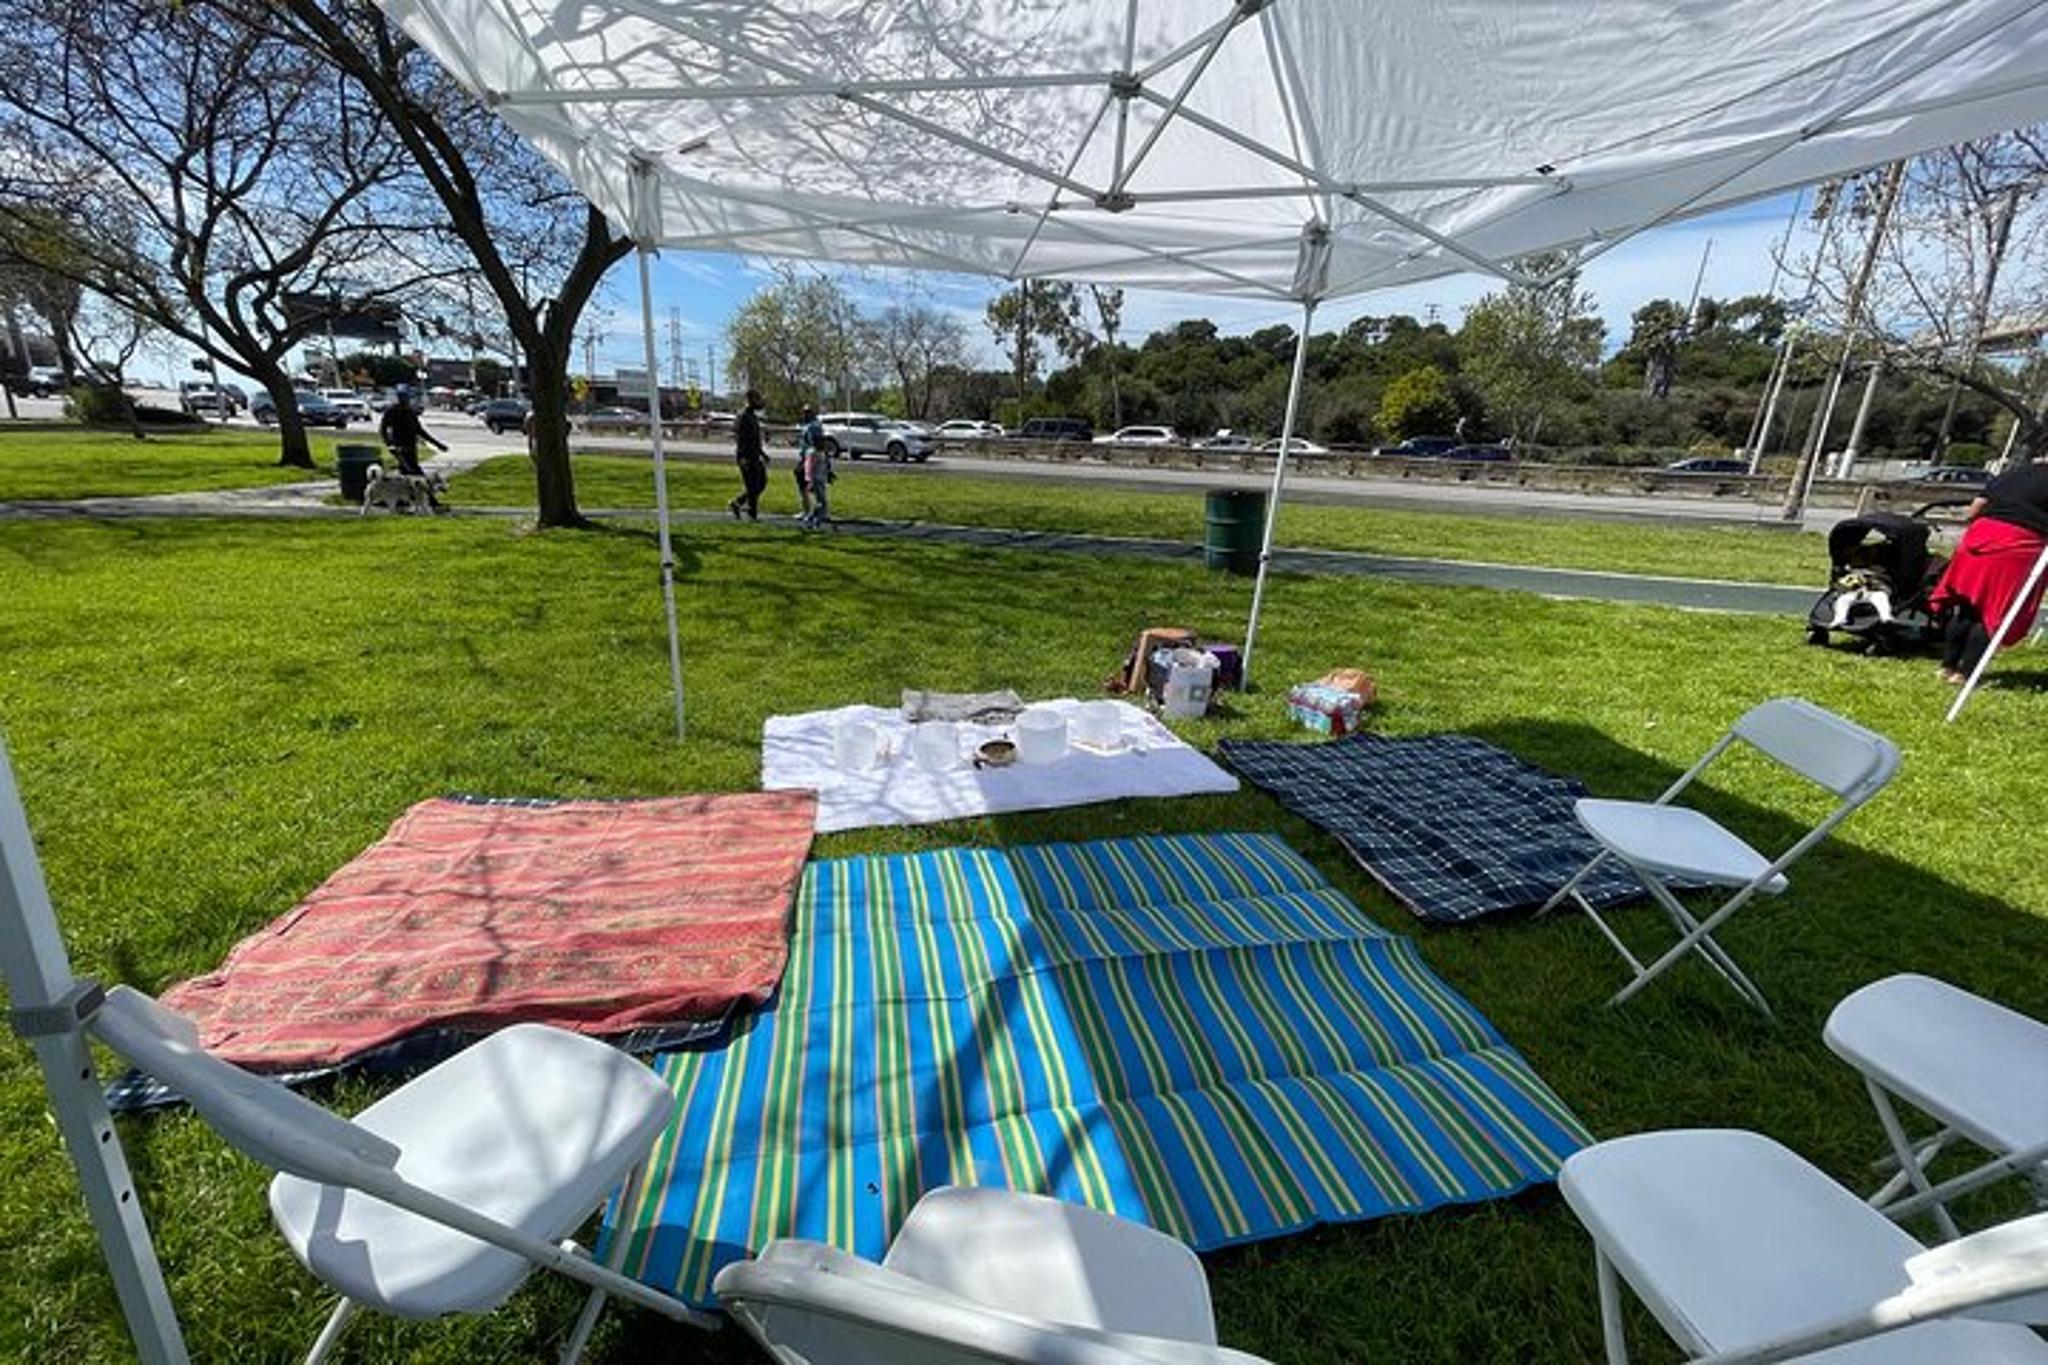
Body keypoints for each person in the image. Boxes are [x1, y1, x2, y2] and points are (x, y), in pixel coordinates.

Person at [1929, 459, 2048, 684]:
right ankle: (1965, 674)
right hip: (2016, 547)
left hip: (1979, 537)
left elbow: (1975, 508)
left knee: (1966, 607)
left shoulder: (2013, 473)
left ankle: (1947, 667)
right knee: (1992, 614)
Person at [727, 389, 769, 521]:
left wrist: (762, 453)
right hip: (746, 456)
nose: (760, 402)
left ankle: (737, 503)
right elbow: (741, 439)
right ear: (750, 400)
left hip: (755, 455)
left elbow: (754, 439)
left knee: (761, 483)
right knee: (752, 485)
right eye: (758, 399)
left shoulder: (752, 416)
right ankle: (752, 514)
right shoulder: (743, 416)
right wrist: (743, 458)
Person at [797, 405, 830, 530]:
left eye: (807, 412)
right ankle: (810, 512)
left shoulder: (815, 426)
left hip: (810, 459)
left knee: (819, 495)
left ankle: (814, 513)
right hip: (807, 458)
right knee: (807, 487)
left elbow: (817, 441)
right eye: (804, 412)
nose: (804, 415)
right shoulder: (805, 426)